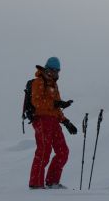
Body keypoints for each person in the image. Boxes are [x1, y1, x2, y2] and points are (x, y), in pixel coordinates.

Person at [28, 57, 78, 189]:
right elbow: (36, 102)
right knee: (44, 151)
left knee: (63, 151)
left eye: (57, 71)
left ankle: (52, 182)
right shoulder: (39, 82)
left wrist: (66, 122)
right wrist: (56, 103)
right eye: (53, 70)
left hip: (54, 122)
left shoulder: (54, 85)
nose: (55, 73)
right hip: (42, 120)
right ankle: (36, 184)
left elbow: (56, 107)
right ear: (47, 69)